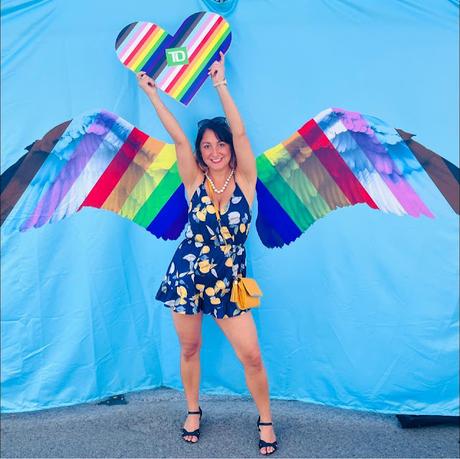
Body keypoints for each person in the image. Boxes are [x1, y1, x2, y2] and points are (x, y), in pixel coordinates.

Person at [137, 51, 278, 456]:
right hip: (186, 276)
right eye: (207, 146)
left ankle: (265, 417)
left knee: (251, 355)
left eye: (221, 145)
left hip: (229, 283)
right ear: (200, 153)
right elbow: (178, 138)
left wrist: (220, 84)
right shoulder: (194, 181)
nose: (215, 151)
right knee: (189, 348)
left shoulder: (246, 181)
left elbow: (244, 134)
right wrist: (152, 94)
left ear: (230, 150)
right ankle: (193, 409)